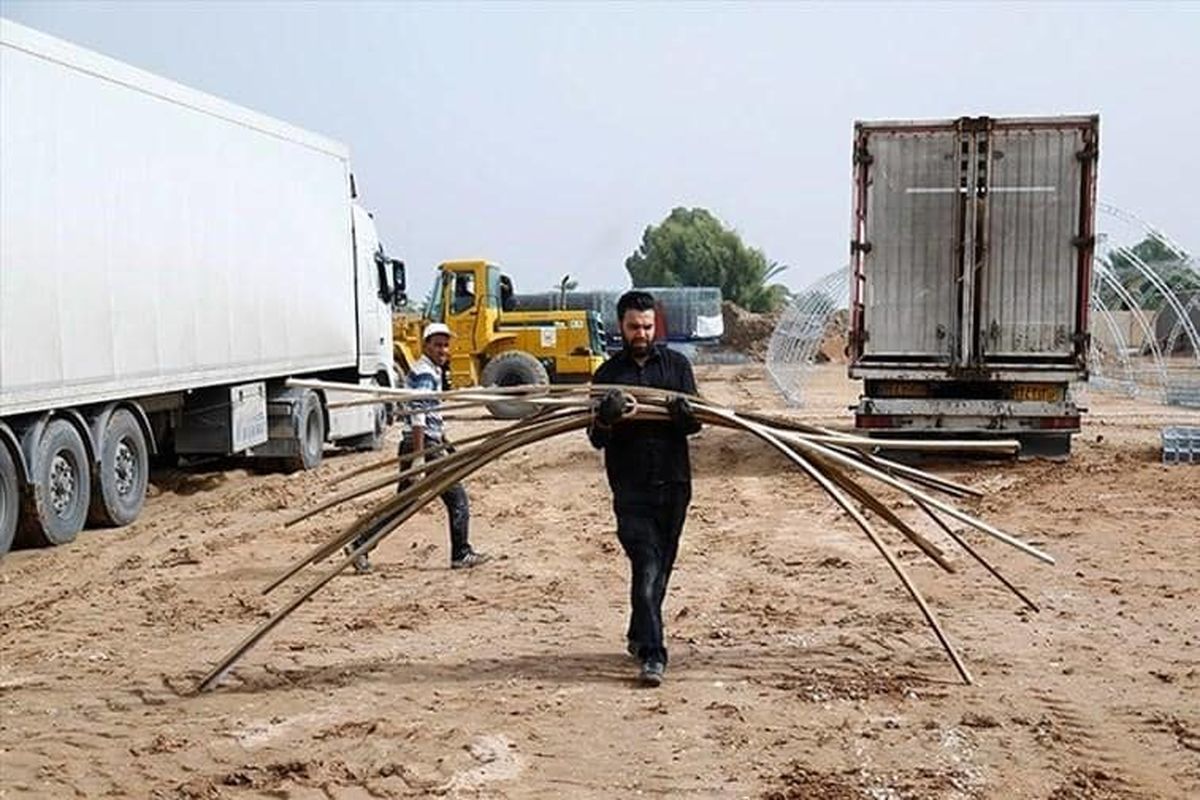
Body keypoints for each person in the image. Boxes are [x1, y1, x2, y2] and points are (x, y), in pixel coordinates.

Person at [588, 290, 701, 687]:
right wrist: (606, 418)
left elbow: (696, 423)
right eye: (635, 326)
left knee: (661, 569)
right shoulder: (606, 377)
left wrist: (685, 416)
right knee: (647, 567)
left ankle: (639, 633)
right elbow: (596, 439)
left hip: (673, 484)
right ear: (621, 325)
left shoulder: (676, 367)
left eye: (648, 326)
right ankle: (654, 654)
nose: (642, 333)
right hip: (630, 487)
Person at [345, 322, 490, 573]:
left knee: (404, 502)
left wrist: (446, 444)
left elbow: (432, 414)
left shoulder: (431, 370)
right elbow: (419, 414)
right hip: (421, 444)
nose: (443, 350)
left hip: (425, 443)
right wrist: (421, 456)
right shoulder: (424, 372)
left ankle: (360, 545)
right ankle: (461, 554)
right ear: (426, 346)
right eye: (437, 345)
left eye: (446, 345)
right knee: (457, 498)